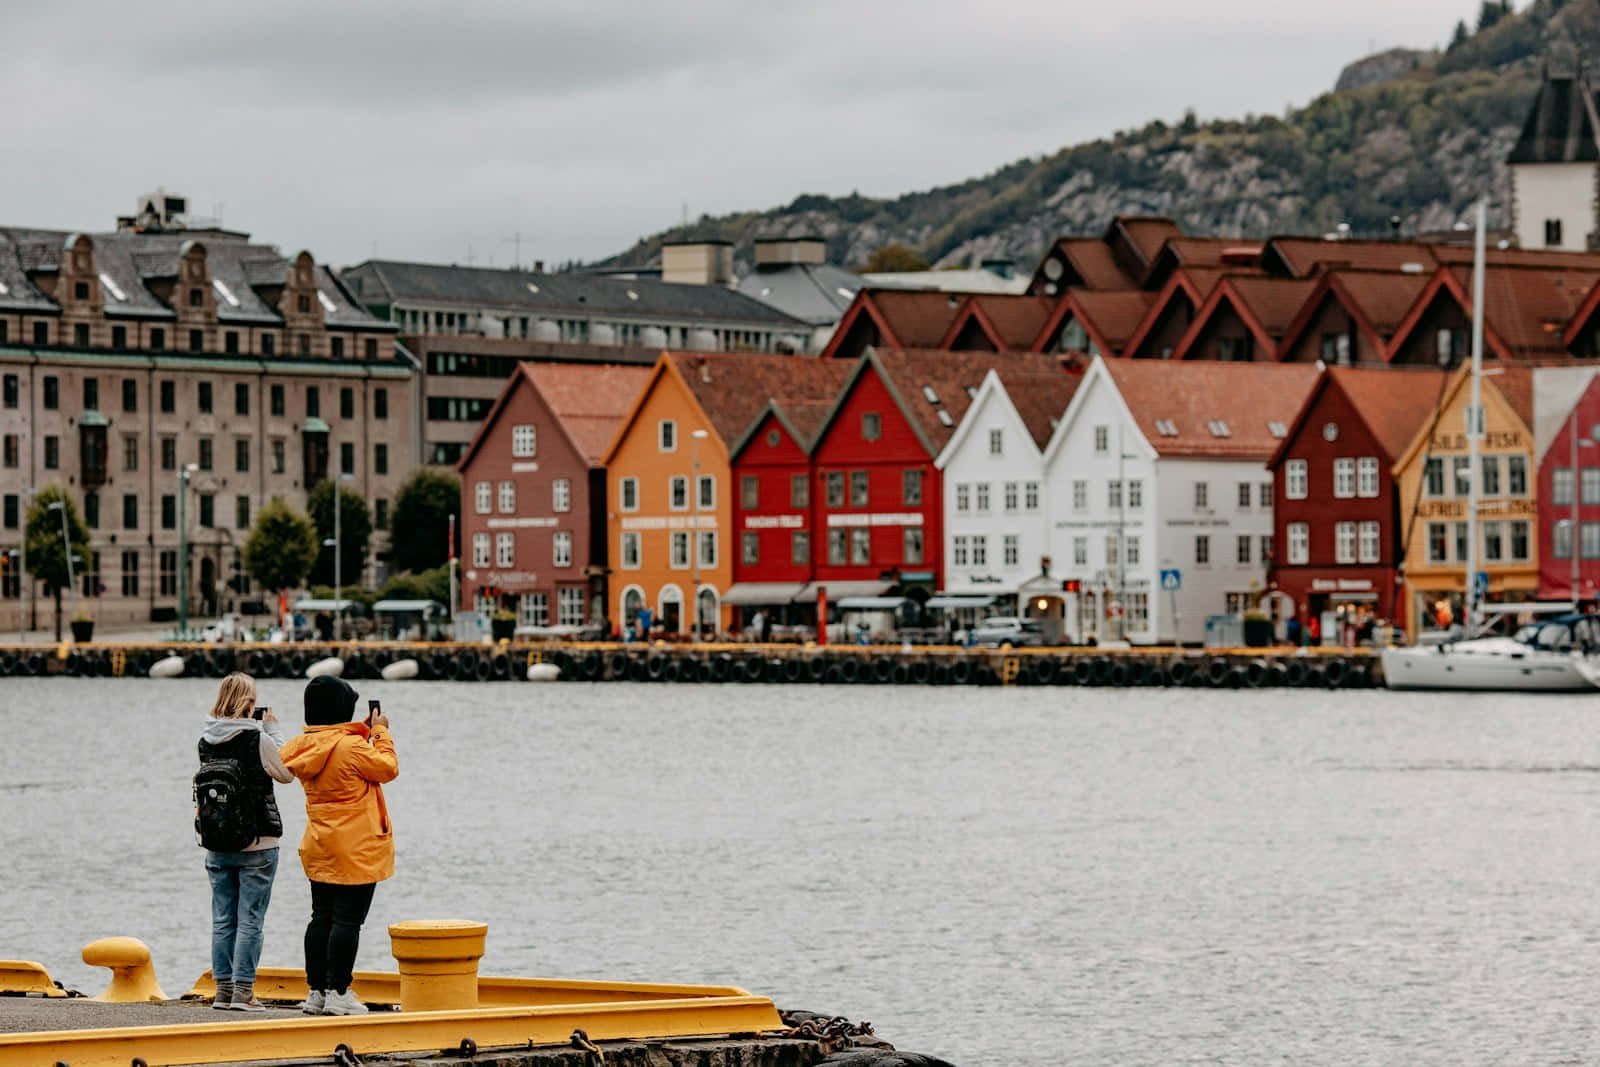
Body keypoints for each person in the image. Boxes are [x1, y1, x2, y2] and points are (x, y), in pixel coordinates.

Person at [280, 676, 399, 1017]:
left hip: (320, 843)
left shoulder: (304, 746)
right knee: (348, 920)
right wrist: (379, 733)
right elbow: (387, 768)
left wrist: (358, 731)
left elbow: (328, 745)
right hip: (357, 847)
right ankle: (339, 991)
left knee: (321, 917)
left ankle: (316, 991)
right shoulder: (353, 747)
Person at [198, 672, 292, 1012]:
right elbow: (286, 772)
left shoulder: (206, 739)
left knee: (223, 918)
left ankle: (222, 992)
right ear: (248, 702)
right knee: (251, 919)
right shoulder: (257, 738)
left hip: (217, 842)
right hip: (258, 842)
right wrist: (273, 731)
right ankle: (243, 993)